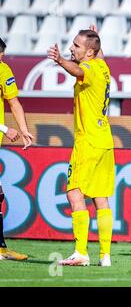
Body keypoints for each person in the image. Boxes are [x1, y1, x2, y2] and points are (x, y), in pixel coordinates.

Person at [47, 26, 114, 267]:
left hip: (88, 142)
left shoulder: (87, 68)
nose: (70, 48)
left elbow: (77, 69)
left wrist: (59, 60)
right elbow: (98, 54)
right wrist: (95, 39)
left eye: (76, 46)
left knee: (74, 193)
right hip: (105, 141)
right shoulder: (102, 66)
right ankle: (105, 256)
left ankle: (81, 253)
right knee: (100, 198)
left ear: (88, 53)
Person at [0, 37, 34, 260]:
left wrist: (24, 130)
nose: (0, 60)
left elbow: (14, 103)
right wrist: (4, 128)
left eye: (2, 56)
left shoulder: (3, 70)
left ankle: (1, 249)